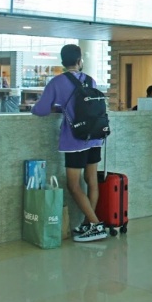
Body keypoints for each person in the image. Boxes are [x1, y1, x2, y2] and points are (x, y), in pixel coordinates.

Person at [31, 44, 107, 243]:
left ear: (62, 61)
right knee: (91, 180)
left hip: (75, 139)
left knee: (73, 185)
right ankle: (88, 224)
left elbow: (41, 110)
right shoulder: (91, 80)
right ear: (80, 60)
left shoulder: (57, 82)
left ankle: (95, 225)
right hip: (96, 136)